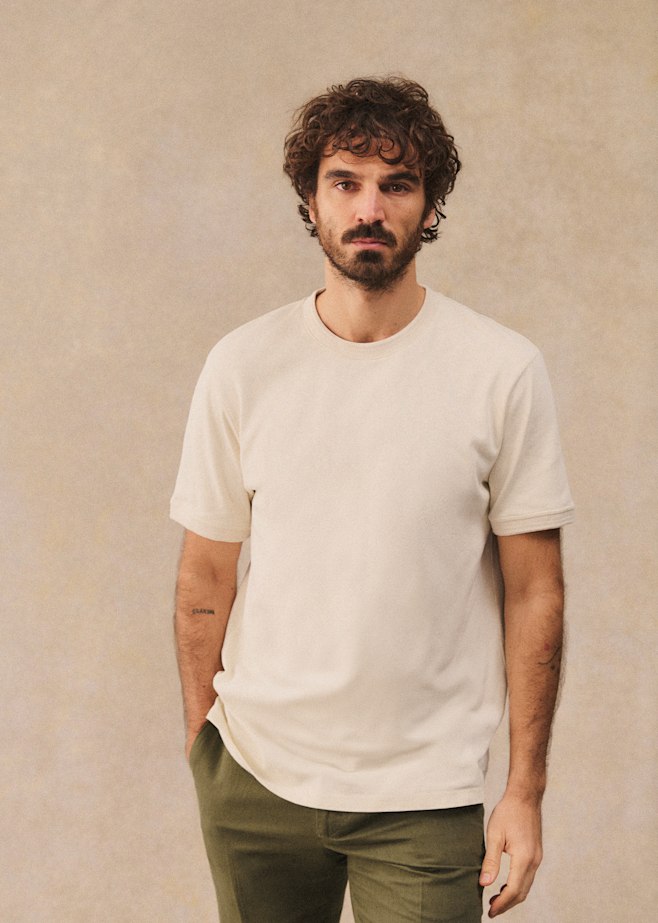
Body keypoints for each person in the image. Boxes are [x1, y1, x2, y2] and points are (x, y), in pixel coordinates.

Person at [171, 76, 574, 923]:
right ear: (310, 199)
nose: (369, 208)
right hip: (256, 781)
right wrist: (204, 742)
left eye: (397, 184)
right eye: (345, 182)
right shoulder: (242, 366)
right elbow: (205, 575)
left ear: (429, 205)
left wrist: (524, 789)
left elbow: (536, 591)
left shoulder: (501, 370)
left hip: (425, 794)